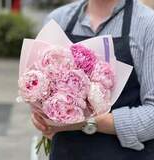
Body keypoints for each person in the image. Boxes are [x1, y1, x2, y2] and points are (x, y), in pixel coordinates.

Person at [31, 0, 154, 159]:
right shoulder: (58, 20)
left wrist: (88, 123)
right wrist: (42, 116)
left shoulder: (147, 25)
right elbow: (40, 88)